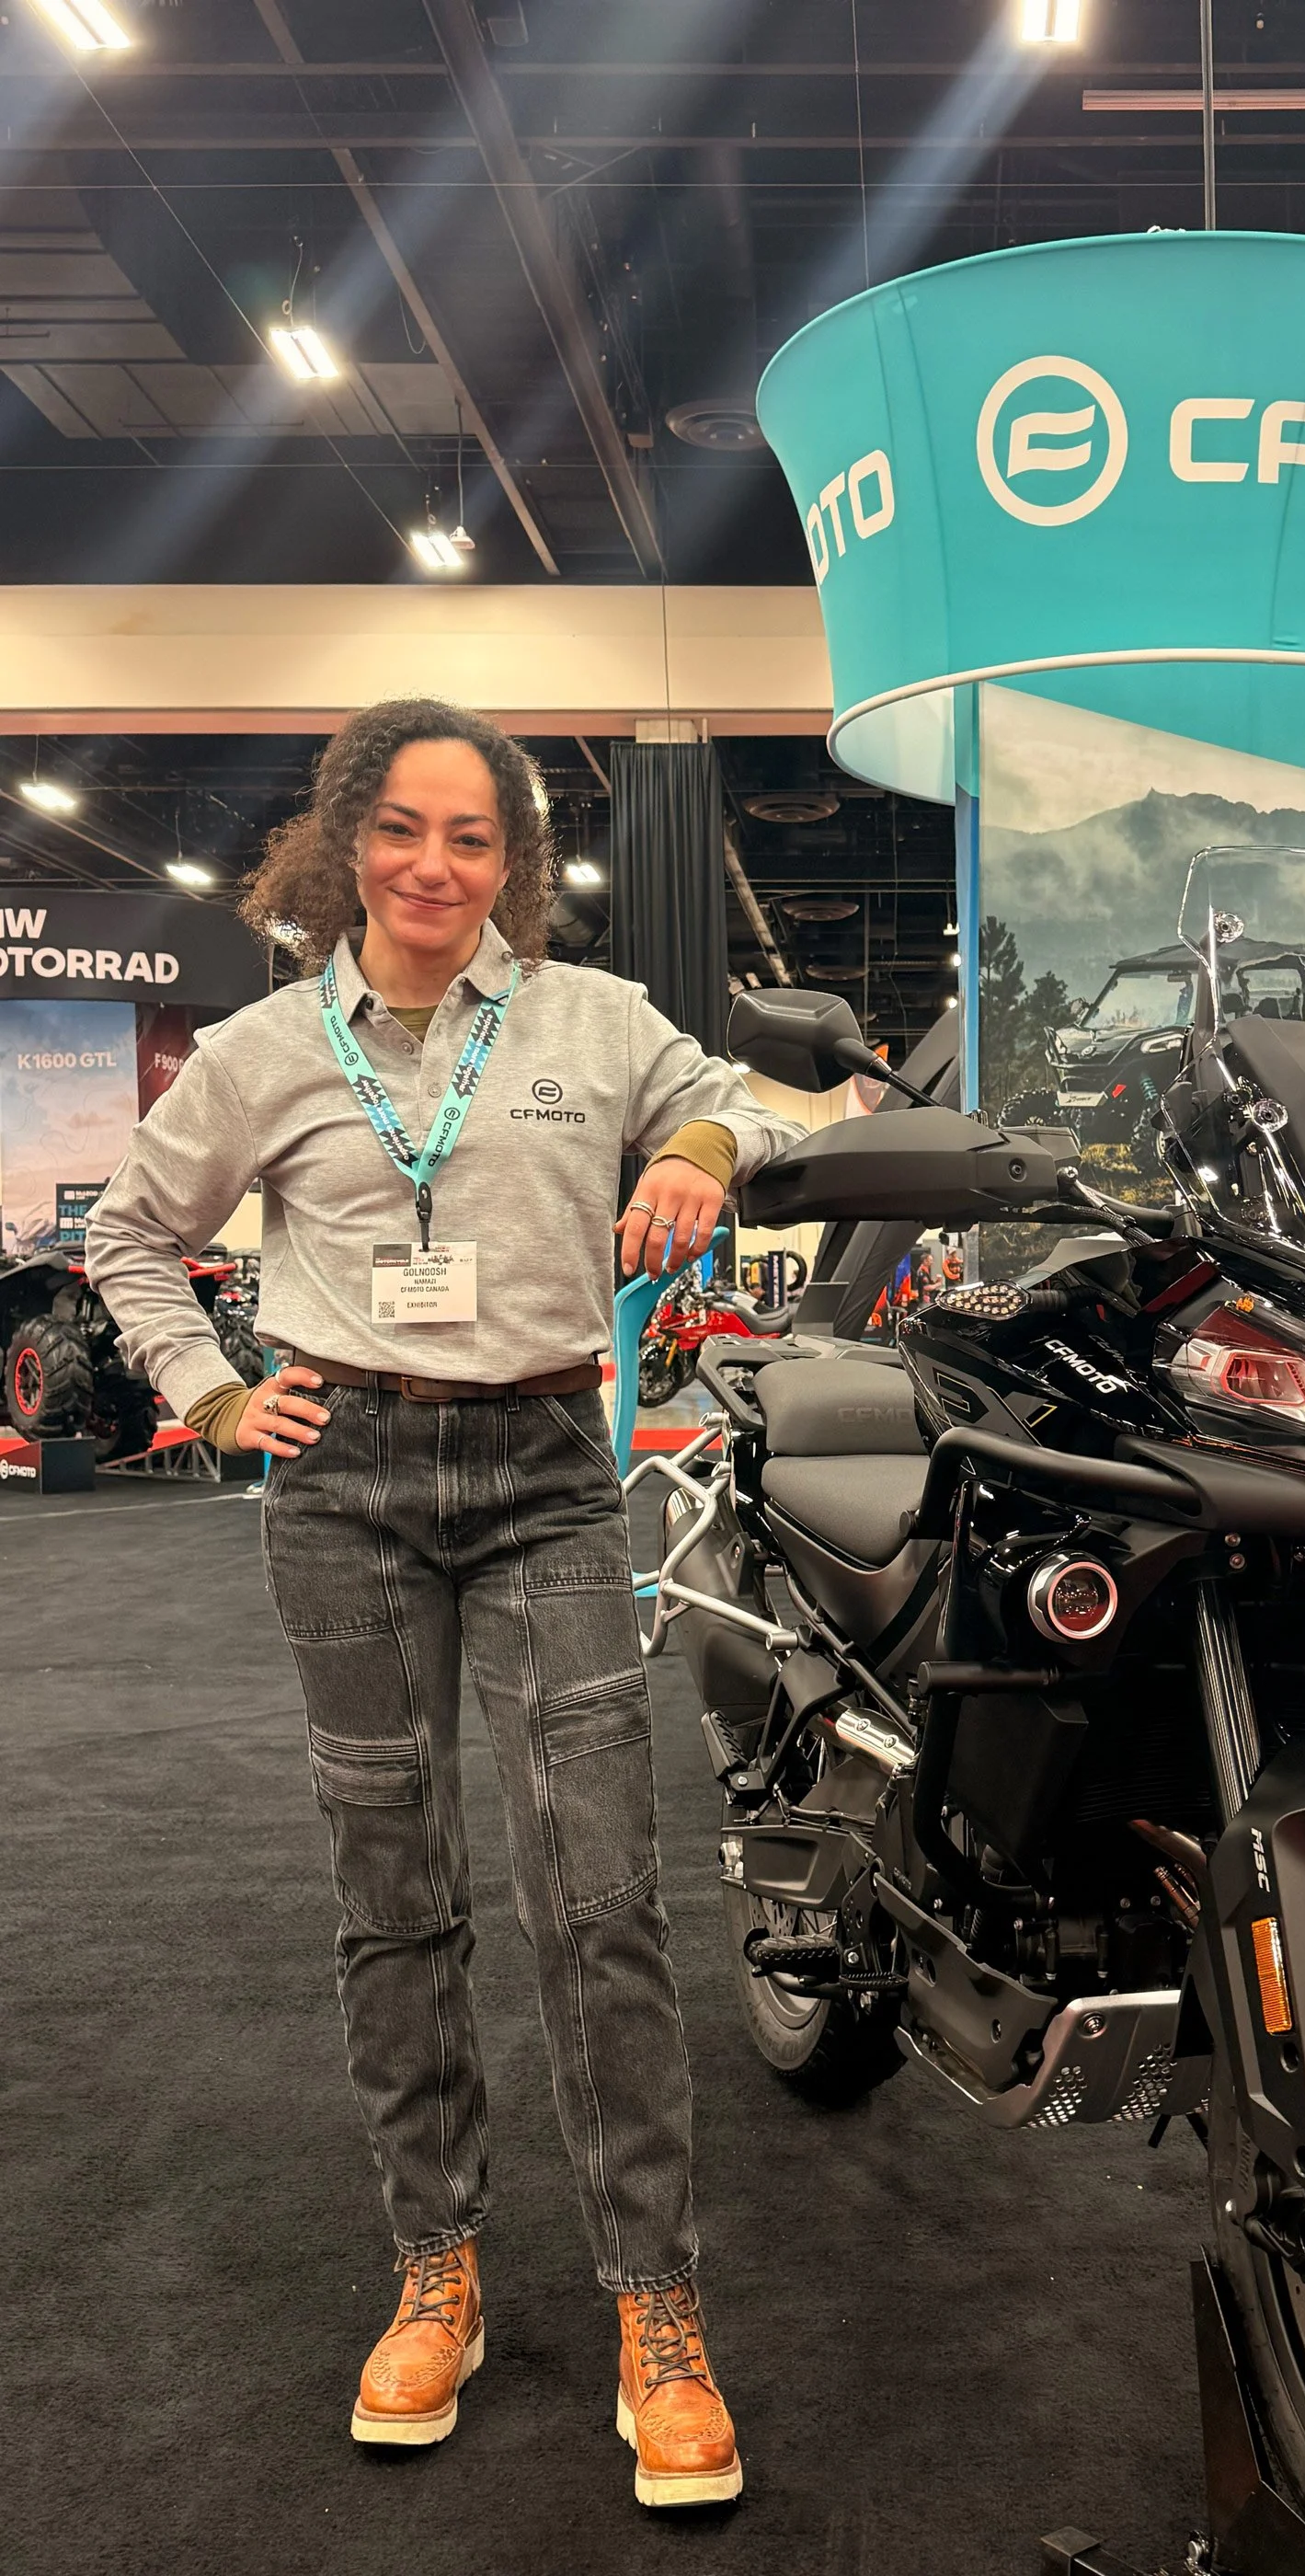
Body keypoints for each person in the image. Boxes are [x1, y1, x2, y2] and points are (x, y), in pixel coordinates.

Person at [86, 698, 800, 2508]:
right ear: (348, 841)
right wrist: (220, 1390)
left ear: (511, 864)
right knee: (393, 1888)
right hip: (344, 1496)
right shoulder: (261, 1046)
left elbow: (727, 1094)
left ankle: (658, 2301)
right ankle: (441, 2263)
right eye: (402, 829)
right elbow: (127, 1232)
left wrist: (697, 1155)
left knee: (601, 1892)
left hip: (548, 1476)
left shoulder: (587, 1021)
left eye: (472, 838)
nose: (432, 866)